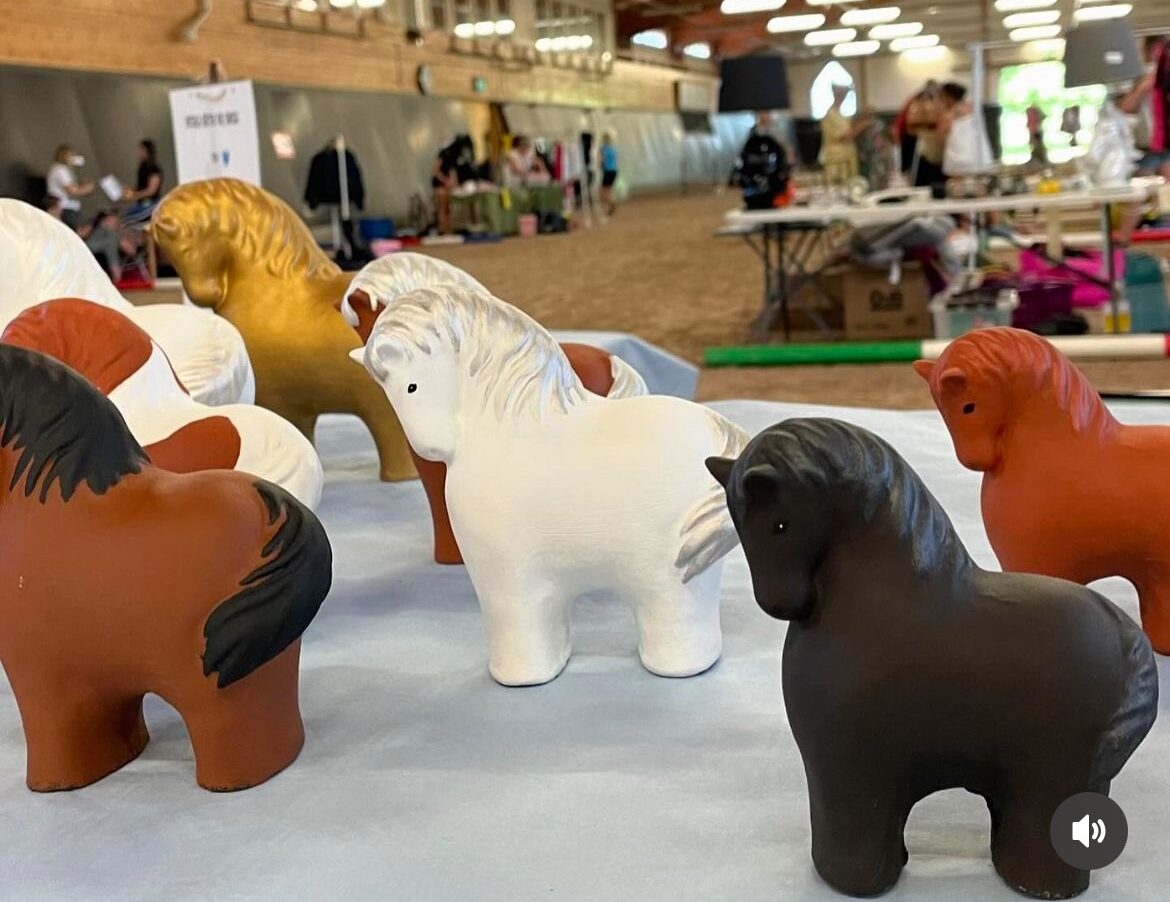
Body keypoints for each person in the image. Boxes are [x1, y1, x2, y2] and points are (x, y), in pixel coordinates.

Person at [1120, 35, 1170, 179]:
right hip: (1144, 151)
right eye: (1153, 51)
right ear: (1145, 52)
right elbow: (1124, 109)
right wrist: (1143, 86)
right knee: (1140, 188)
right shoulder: (1137, 79)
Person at [731, 112, 791, 209]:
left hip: (772, 187)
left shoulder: (777, 133)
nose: (764, 116)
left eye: (766, 114)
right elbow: (744, 158)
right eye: (761, 114)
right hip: (755, 189)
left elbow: (783, 154)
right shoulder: (753, 134)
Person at [819, 85, 869, 185]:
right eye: (841, 94)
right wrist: (862, 127)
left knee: (851, 185)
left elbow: (849, 126)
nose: (843, 97)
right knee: (839, 187)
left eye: (844, 94)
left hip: (847, 156)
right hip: (837, 160)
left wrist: (861, 118)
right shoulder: (830, 115)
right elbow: (843, 137)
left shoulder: (840, 114)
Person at [432, 134, 475, 234]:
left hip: (446, 184)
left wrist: (454, 183)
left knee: (447, 209)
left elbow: (453, 173)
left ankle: (448, 230)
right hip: (439, 184)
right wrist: (445, 181)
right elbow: (435, 171)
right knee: (442, 208)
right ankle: (442, 230)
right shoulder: (443, 154)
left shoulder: (455, 157)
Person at [46, 144, 94, 230]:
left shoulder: (60, 169)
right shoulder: (61, 170)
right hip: (62, 206)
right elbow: (73, 191)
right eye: (72, 155)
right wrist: (87, 189)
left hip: (66, 205)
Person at [122, 138, 164, 225]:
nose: (139, 152)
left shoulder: (154, 170)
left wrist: (134, 196)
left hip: (151, 204)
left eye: (141, 149)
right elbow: (141, 186)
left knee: (127, 221)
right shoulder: (142, 166)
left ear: (148, 151)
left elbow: (151, 191)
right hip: (142, 202)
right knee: (125, 219)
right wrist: (130, 190)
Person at [599, 131, 619, 216]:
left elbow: (601, 160)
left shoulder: (603, 149)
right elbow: (615, 160)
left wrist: (600, 165)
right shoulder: (613, 149)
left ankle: (612, 203)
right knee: (608, 191)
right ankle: (610, 207)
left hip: (608, 171)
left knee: (602, 193)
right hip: (614, 171)